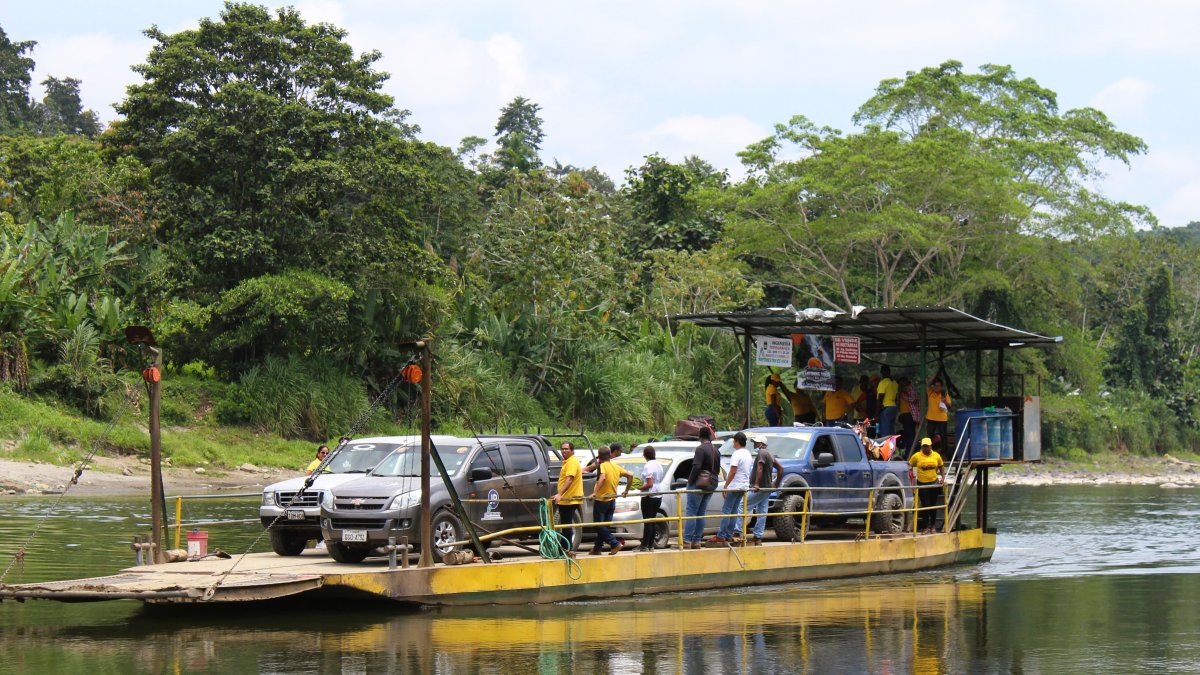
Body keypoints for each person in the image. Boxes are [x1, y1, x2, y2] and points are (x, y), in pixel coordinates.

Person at [589, 446, 633, 555]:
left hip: (602, 501)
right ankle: (597, 549)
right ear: (610, 455)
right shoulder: (615, 467)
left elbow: (603, 477)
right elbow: (630, 475)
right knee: (604, 526)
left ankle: (614, 543)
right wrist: (626, 490)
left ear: (599, 457)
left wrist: (595, 492)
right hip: (612, 501)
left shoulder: (602, 466)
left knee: (599, 526)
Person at [713, 432, 753, 544]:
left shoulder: (737, 453)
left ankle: (721, 535)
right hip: (743, 486)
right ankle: (729, 534)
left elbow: (732, 471)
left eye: (734, 441)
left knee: (726, 511)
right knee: (734, 511)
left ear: (737, 441)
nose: (733, 444)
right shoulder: (748, 453)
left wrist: (726, 486)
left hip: (735, 486)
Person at [683, 426, 720, 549]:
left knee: (692, 512)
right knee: (701, 513)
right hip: (711, 484)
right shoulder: (716, 450)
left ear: (700, 436)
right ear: (709, 436)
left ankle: (687, 540)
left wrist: (690, 482)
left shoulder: (700, 449)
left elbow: (696, 467)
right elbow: (717, 469)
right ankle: (697, 541)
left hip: (699, 483)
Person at [745, 435, 783, 545]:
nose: (754, 445)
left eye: (756, 443)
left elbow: (760, 468)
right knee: (762, 512)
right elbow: (781, 469)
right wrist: (775, 484)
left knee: (742, 506)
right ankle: (758, 537)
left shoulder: (762, 452)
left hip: (760, 488)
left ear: (762, 444)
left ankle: (737, 533)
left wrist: (756, 484)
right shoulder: (769, 454)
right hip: (767, 488)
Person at [551, 441, 584, 556]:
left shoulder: (571, 462)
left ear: (572, 451)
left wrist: (559, 494)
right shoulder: (569, 462)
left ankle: (567, 549)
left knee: (566, 525)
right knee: (565, 525)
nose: (564, 451)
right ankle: (566, 549)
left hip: (569, 500)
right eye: (562, 449)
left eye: (566, 449)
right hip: (566, 499)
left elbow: (569, 479)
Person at [908, 437, 945, 533]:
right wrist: (913, 475)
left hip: (933, 483)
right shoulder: (916, 456)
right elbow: (910, 465)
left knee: (933, 505)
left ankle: (933, 526)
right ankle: (926, 527)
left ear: (931, 446)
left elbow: (941, 466)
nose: (925, 448)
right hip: (922, 484)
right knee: (925, 505)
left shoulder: (936, 455)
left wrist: (943, 478)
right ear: (921, 447)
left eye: (927, 446)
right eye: (924, 446)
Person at [636, 445, 665, 551]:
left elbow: (649, 484)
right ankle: (651, 545)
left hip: (649, 495)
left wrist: (639, 488)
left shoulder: (648, 466)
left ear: (645, 455)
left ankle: (644, 545)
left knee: (647, 521)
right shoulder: (659, 465)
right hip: (658, 495)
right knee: (652, 520)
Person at [898, 377, 922, 454]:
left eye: (901, 383)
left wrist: (903, 396)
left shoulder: (909, 389)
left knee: (910, 435)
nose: (900, 385)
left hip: (909, 415)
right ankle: (910, 452)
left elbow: (914, 399)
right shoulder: (904, 390)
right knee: (909, 435)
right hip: (906, 415)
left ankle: (910, 453)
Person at [926, 377, 952, 441]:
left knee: (943, 436)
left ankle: (944, 448)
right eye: (935, 385)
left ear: (941, 387)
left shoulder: (944, 394)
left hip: (942, 418)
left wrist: (944, 401)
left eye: (938, 386)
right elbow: (928, 384)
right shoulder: (930, 392)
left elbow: (949, 406)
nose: (936, 387)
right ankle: (928, 448)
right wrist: (933, 379)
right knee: (929, 436)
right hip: (931, 418)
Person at [877, 366, 899, 436]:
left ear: (882, 372)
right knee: (891, 430)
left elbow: (880, 398)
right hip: (893, 408)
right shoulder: (895, 383)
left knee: (885, 432)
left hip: (886, 409)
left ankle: (886, 443)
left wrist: (877, 413)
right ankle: (893, 443)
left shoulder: (883, 383)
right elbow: (896, 398)